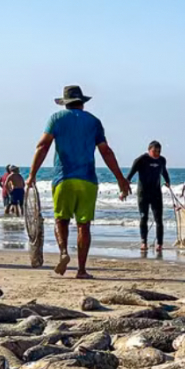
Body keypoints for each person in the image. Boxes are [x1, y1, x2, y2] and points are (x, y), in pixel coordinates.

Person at [26, 85, 130, 278]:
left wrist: (32, 174)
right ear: (82, 102)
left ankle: (64, 252)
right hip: (88, 180)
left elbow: (42, 146)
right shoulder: (94, 122)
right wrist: (120, 178)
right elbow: (106, 151)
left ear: (65, 103)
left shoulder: (56, 119)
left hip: (62, 179)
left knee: (61, 220)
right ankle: (81, 270)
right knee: (84, 225)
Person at [127, 141, 171, 252]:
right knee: (143, 218)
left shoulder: (162, 160)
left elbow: (164, 172)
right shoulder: (141, 160)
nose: (157, 153)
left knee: (159, 219)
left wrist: (168, 181)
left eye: (159, 151)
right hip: (143, 194)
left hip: (156, 193)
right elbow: (130, 175)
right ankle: (144, 242)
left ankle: (159, 244)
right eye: (154, 151)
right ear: (149, 150)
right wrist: (124, 188)